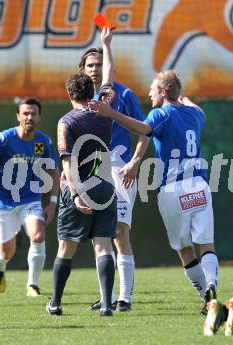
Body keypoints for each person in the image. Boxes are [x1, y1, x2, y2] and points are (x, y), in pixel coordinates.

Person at [91, 69, 219, 314]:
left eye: (152, 89)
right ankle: (212, 284)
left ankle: (206, 294)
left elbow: (142, 129)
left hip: (173, 188)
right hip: (200, 185)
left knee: (184, 249)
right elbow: (197, 108)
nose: (149, 94)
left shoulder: (160, 113)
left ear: (163, 92)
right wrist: (183, 96)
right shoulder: (195, 114)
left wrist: (110, 112)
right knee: (206, 244)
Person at [46, 28, 117, 317]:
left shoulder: (66, 122)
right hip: (105, 186)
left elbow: (67, 163)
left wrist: (75, 193)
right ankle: (108, 304)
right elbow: (110, 78)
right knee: (103, 247)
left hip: (81, 188)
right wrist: (107, 46)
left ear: (69, 94)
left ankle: (55, 302)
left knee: (66, 249)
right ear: (91, 91)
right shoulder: (103, 110)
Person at [78, 34, 149, 312]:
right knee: (100, 237)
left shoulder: (120, 94)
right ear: (82, 71)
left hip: (121, 169)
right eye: (89, 65)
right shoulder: (82, 99)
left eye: (98, 64)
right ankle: (107, 295)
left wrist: (135, 162)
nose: (94, 69)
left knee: (120, 232)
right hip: (94, 171)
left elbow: (145, 131)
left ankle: (125, 298)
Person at [0, 97, 59, 297]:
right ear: (18, 116)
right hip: (2, 202)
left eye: (33, 114)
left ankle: (32, 285)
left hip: (30, 199)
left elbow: (54, 170)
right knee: (7, 251)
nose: (29, 117)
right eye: (25, 113)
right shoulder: (5, 139)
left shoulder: (44, 141)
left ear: (39, 117)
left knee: (38, 235)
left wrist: (53, 202)